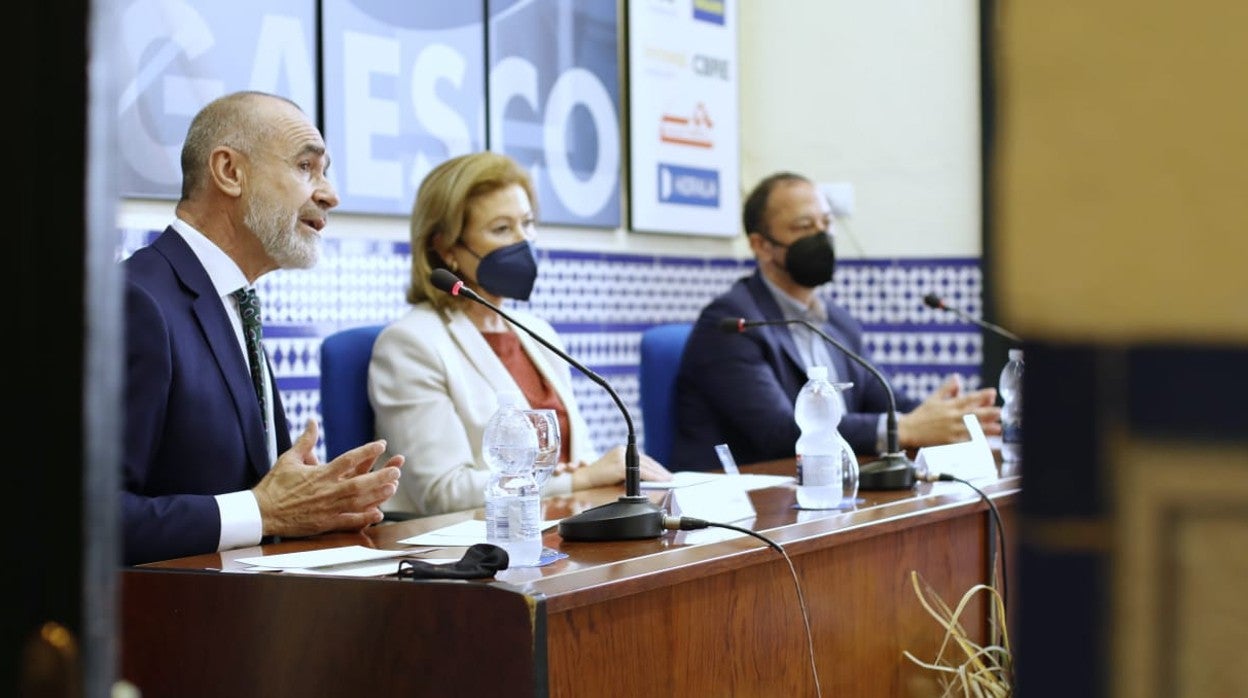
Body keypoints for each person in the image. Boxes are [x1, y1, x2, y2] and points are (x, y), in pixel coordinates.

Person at [122, 91, 403, 566]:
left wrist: (321, 507)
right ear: (230, 172)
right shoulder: (136, 302)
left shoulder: (234, 300)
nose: (330, 194)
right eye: (305, 168)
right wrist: (263, 511)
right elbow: (83, 519)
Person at [369, 151, 672, 517]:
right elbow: (442, 493)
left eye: (527, 223)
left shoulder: (536, 333)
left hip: (558, 529)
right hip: (470, 549)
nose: (523, 241)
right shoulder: (411, 344)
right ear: (445, 247)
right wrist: (580, 480)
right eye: (501, 229)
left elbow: (579, 461)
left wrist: (597, 474)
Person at [672, 171, 1001, 470]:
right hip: (751, 505)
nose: (822, 236)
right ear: (761, 246)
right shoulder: (733, 322)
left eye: (826, 224)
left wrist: (948, 417)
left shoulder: (837, 321)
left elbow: (884, 397)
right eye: (803, 227)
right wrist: (903, 429)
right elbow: (778, 432)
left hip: (831, 488)